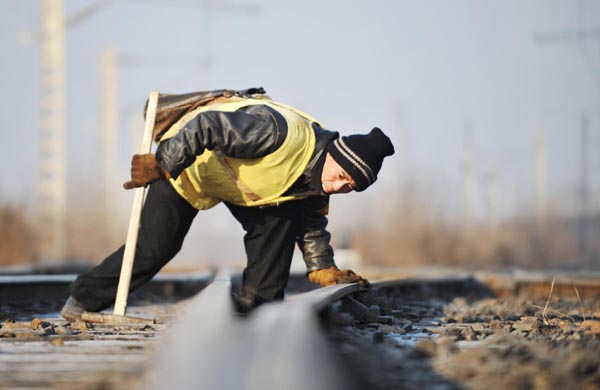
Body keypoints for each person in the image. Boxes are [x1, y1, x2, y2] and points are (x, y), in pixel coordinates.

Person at [61, 87, 394, 320]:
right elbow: (208, 126)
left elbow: (312, 225)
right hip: (188, 166)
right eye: (340, 176)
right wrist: (164, 163)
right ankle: (83, 299)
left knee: (281, 221)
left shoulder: (317, 183)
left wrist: (321, 267)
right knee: (156, 247)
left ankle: (258, 309)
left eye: (349, 188)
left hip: (241, 187)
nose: (338, 187)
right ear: (334, 154)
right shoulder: (279, 132)